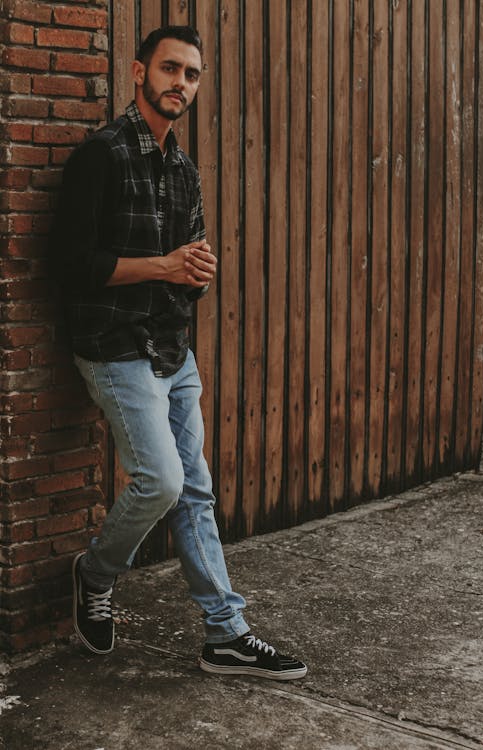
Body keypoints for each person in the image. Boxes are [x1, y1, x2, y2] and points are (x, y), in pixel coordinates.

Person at [50, 25, 307, 681]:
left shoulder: (184, 168)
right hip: (113, 347)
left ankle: (225, 634)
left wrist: (194, 274)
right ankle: (96, 572)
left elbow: (185, 269)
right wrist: (164, 265)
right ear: (139, 74)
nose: (181, 86)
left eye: (192, 75)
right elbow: (74, 267)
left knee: (194, 492)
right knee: (161, 481)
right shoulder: (101, 157)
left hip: (171, 348)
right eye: (170, 70)